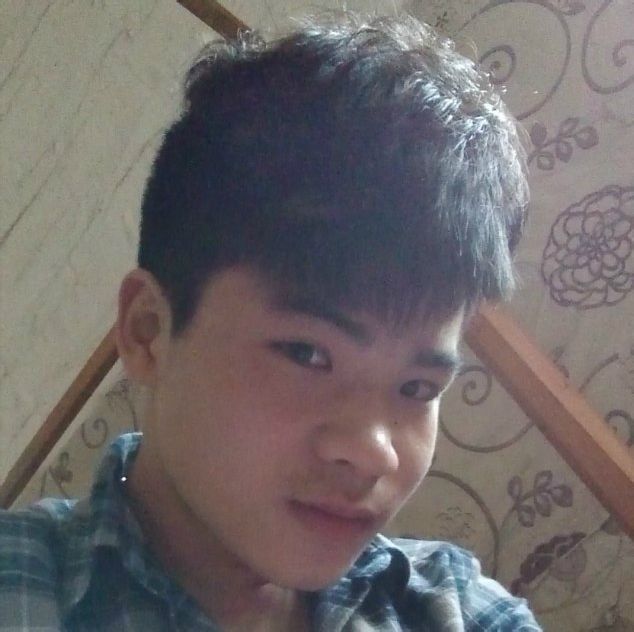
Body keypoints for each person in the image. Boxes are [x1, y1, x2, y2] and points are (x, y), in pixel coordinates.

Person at [0, 12, 540, 631]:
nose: (374, 452)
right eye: (307, 354)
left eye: (417, 388)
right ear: (148, 331)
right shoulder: (23, 589)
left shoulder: (456, 610)